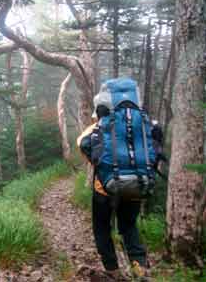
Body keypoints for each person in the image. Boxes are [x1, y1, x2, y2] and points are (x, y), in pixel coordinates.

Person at [77, 81, 164, 281]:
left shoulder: (102, 123)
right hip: (138, 184)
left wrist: (98, 163)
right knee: (128, 226)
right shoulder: (145, 123)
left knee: (102, 227)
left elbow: (82, 143)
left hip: (105, 188)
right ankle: (140, 270)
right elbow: (156, 147)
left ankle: (112, 271)